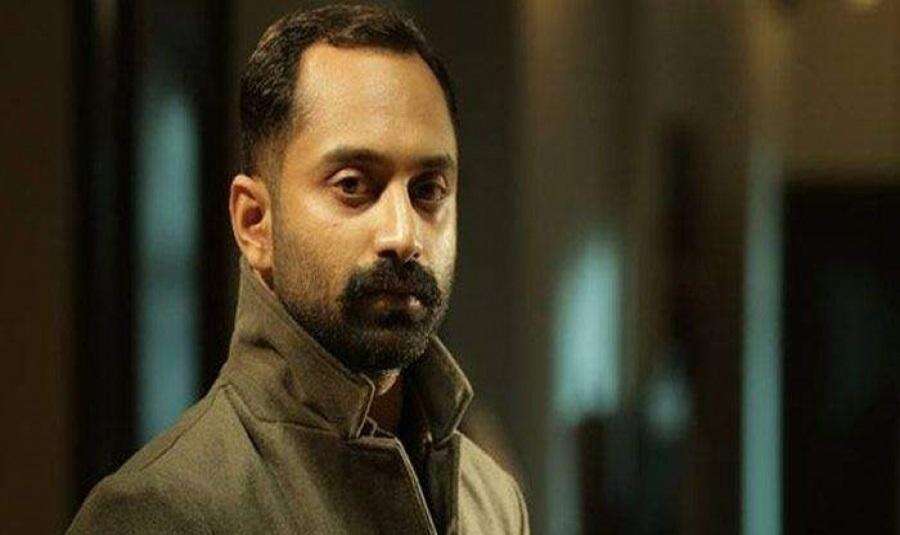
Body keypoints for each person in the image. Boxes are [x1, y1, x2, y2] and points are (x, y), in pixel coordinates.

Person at [68, 4, 529, 534]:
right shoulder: (162, 512)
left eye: (428, 190)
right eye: (353, 185)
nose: (403, 235)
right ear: (255, 223)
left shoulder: (490, 501)